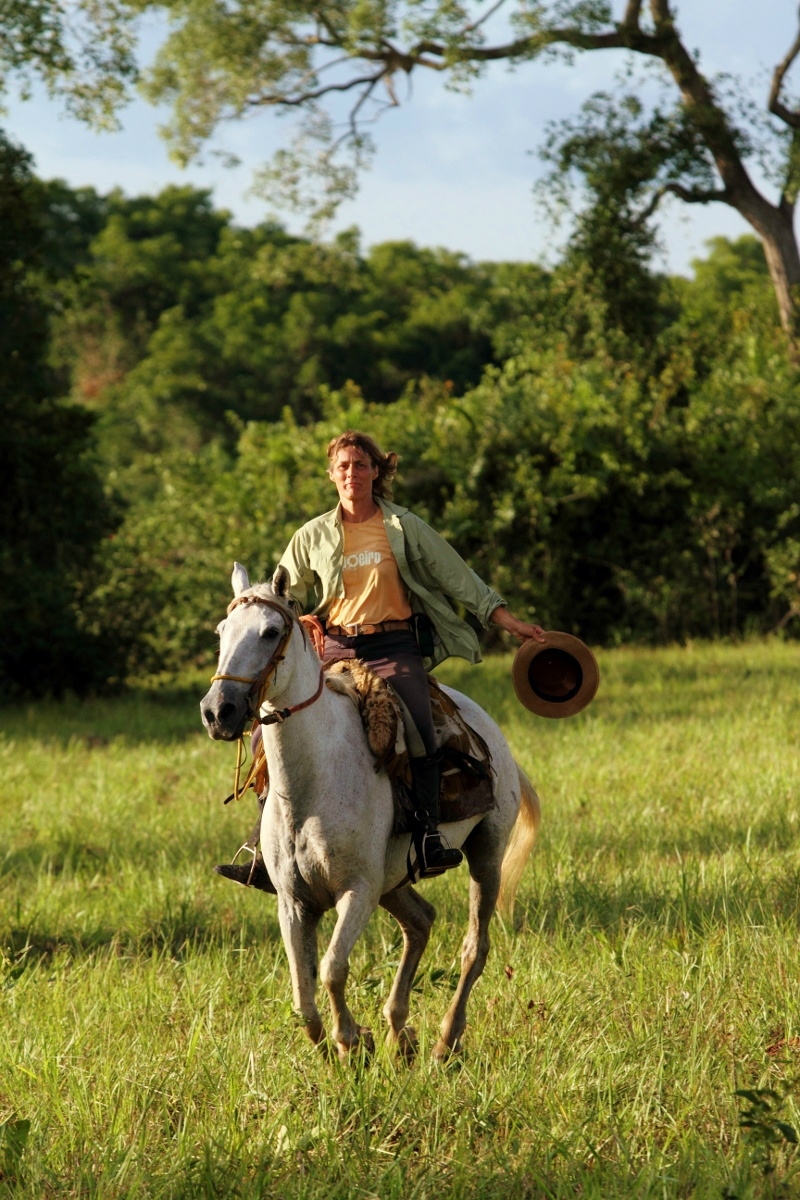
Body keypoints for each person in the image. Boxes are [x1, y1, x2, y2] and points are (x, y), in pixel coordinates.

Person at [215, 430, 545, 888]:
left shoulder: (404, 526)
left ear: (376, 472)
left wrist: (508, 621)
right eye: (343, 466)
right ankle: (263, 853)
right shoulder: (310, 536)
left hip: (393, 649)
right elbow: (284, 595)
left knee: (419, 727)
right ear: (332, 475)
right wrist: (297, 619)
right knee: (266, 737)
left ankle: (428, 834)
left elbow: (458, 577)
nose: (352, 473)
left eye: (361, 465)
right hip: (332, 650)